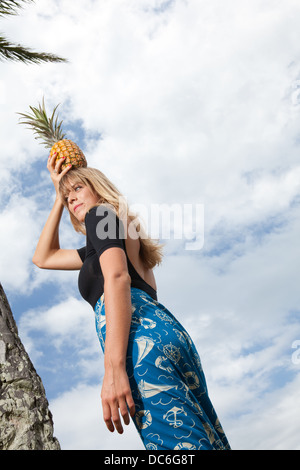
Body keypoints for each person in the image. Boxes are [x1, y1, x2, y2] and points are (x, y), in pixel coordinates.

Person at [32, 152, 231, 451]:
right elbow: (43, 258)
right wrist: (59, 193)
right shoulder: (117, 232)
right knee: (201, 438)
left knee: (175, 448)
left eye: (78, 189)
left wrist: (113, 368)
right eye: (67, 195)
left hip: (141, 343)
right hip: (168, 333)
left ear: (98, 187)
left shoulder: (99, 215)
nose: (72, 199)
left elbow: (117, 278)